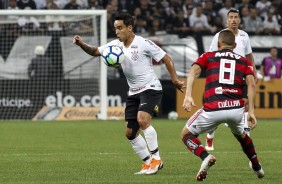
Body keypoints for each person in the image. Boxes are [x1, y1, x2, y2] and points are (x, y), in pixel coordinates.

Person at [73, 12, 184, 175]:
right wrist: (81, 43)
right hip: (134, 92)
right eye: (115, 29)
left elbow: (166, 58)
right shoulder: (114, 46)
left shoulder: (143, 43)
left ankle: (157, 159)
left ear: (129, 27)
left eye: (120, 28)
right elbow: (95, 51)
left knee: (143, 119)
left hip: (150, 87)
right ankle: (147, 163)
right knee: (130, 133)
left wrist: (174, 79)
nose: (117, 32)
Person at [181, 30, 264, 181]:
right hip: (235, 109)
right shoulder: (244, 62)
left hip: (212, 108)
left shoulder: (209, 56)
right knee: (242, 136)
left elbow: (193, 71)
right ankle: (257, 167)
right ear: (235, 45)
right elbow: (251, 84)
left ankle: (205, 156)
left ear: (218, 44)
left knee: (186, 135)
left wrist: (188, 95)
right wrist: (251, 111)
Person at [205, 9, 257, 151]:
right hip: (223, 76)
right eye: (231, 17)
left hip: (240, 76)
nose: (234, 20)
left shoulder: (244, 36)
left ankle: (247, 138)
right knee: (216, 105)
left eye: (236, 17)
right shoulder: (219, 36)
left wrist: (254, 71)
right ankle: (210, 136)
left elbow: (249, 56)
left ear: (239, 20)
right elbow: (211, 54)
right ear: (227, 20)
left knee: (245, 105)